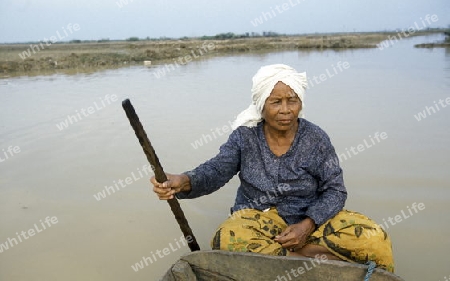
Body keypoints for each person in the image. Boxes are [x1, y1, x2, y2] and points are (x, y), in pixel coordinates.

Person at [151, 64, 394, 273]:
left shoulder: (316, 139)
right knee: (227, 239)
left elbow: (335, 191)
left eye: (292, 100)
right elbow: (215, 171)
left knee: (374, 239)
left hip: (308, 218)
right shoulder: (244, 137)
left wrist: (307, 225)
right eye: (276, 102)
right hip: (256, 219)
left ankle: (288, 257)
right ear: (261, 105)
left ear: (301, 102)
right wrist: (182, 181)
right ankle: (311, 260)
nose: (286, 110)